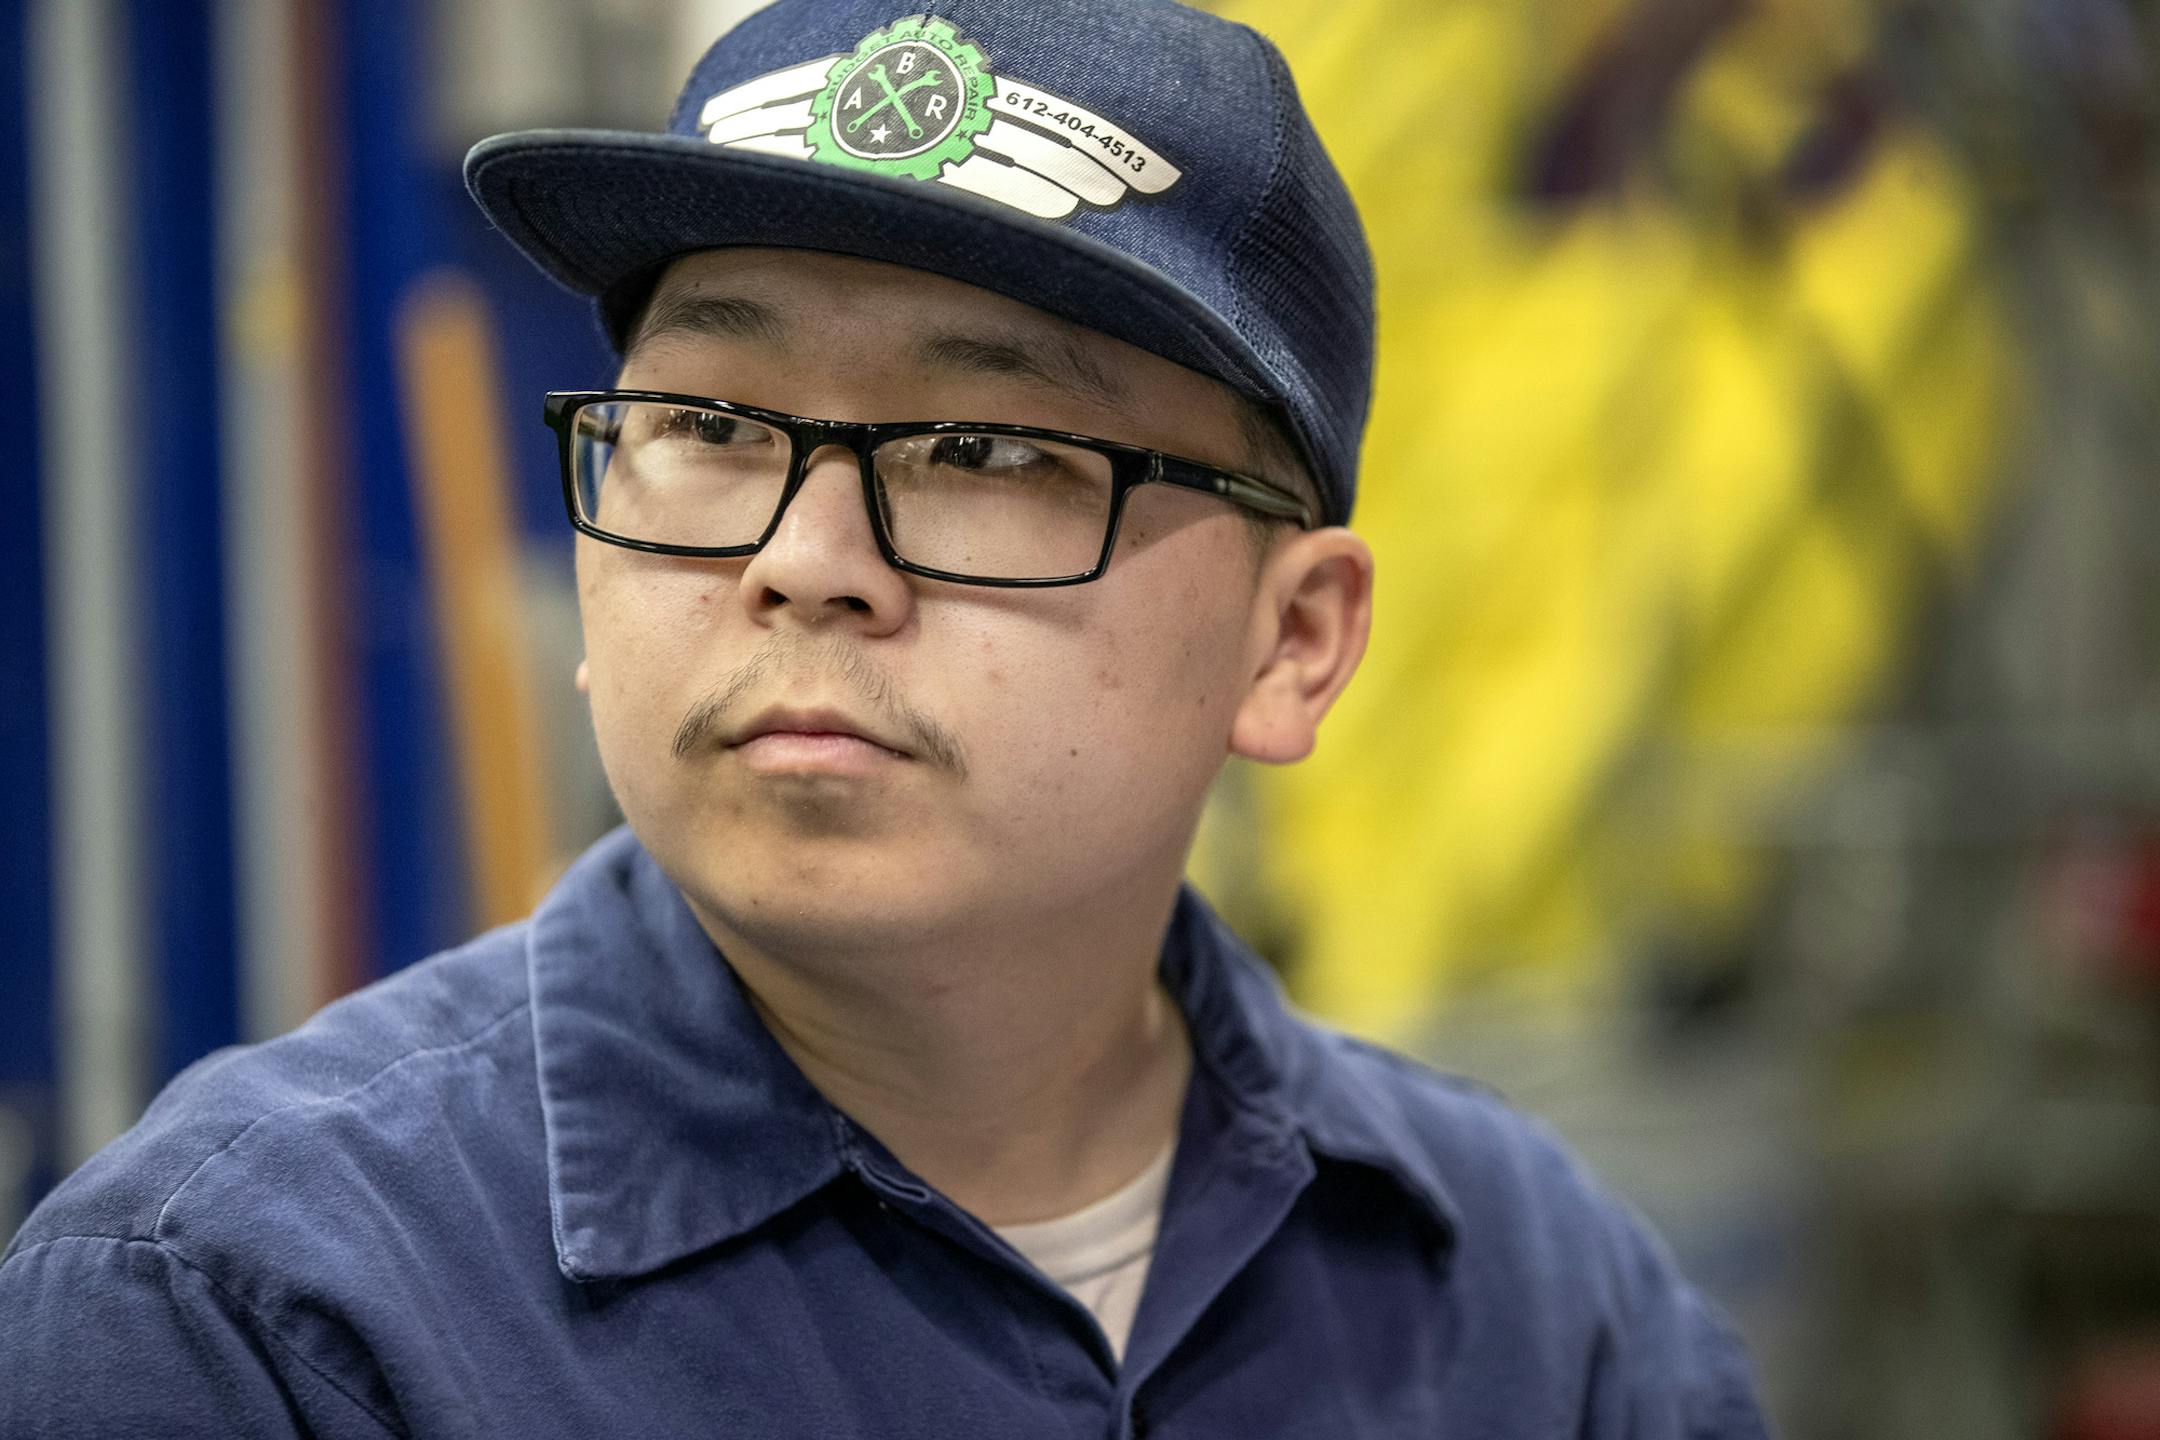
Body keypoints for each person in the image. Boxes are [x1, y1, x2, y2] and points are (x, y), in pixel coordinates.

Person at [0, 1, 1771, 1435]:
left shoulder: (1542, 1314)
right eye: (709, 424)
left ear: (1292, 641)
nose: (806, 560)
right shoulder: (251, 1326)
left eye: (985, 450)